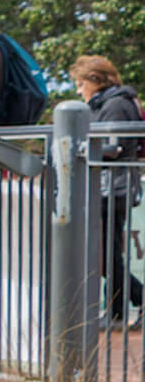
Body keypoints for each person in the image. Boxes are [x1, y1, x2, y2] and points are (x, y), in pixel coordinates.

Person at [74, 56, 141, 321]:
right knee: (107, 253)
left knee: (106, 253)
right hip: (107, 187)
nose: (79, 91)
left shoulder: (114, 105)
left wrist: (80, 151)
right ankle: (118, 308)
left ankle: (128, 302)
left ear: (94, 80)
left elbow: (115, 146)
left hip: (114, 188)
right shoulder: (108, 103)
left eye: (81, 84)